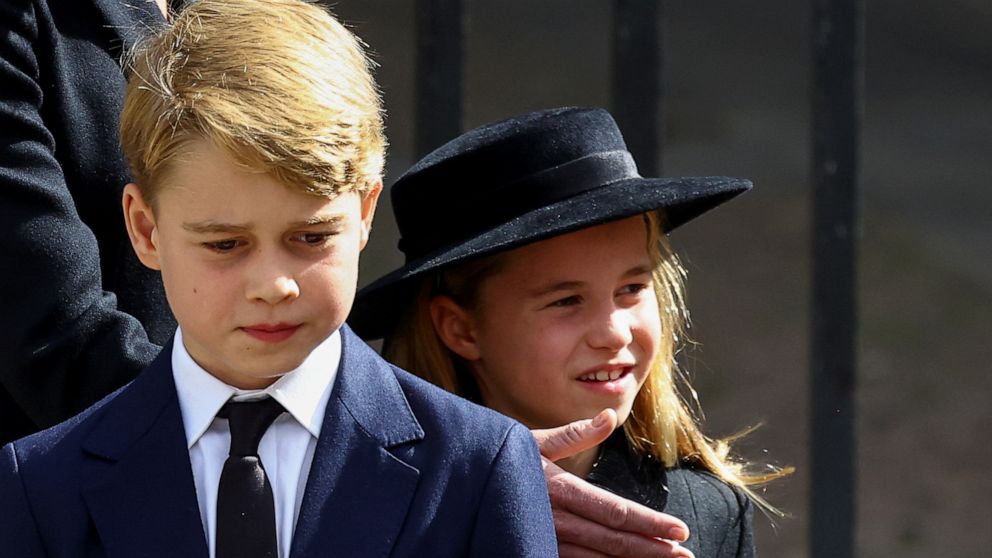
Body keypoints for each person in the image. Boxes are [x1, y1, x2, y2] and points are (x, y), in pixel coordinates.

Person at [0, 0, 696, 553]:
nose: (274, 282)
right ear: (145, 229)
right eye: (224, 245)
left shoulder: (479, 464)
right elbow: (44, 314)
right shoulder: (41, 484)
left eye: (310, 237)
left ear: (364, 212)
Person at [350, 107, 793, 558]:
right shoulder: (362, 509)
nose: (614, 333)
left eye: (632, 289)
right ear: (461, 328)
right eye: (565, 301)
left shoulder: (707, 513)